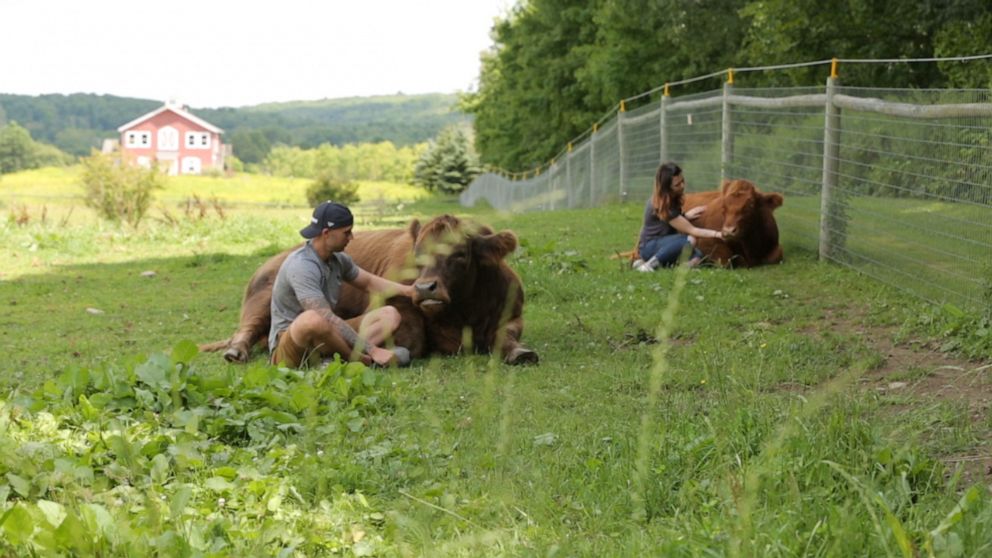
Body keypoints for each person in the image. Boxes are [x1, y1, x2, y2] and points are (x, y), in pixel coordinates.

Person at [268, 201, 415, 368]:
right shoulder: (302, 266)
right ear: (326, 233)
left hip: (325, 335)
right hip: (291, 347)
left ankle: (332, 361)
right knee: (311, 319)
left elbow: (369, 282)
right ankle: (358, 360)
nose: (351, 237)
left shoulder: (337, 259)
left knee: (389, 314)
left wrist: (409, 291)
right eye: (347, 232)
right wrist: (372, 349)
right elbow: (325, 317)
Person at [634, 162, 724, 271]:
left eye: (682, 181)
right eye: (677, 184)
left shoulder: (669, 199)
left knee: (698, 256)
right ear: (666, 187)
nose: (682, 186)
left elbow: (668, 222)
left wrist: (685, 216)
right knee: (689, 240)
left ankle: (666, 266)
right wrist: (718, 234)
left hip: (663, 244)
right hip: (650, 246)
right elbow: (693, 230)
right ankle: (649, 265)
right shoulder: (663, 205)